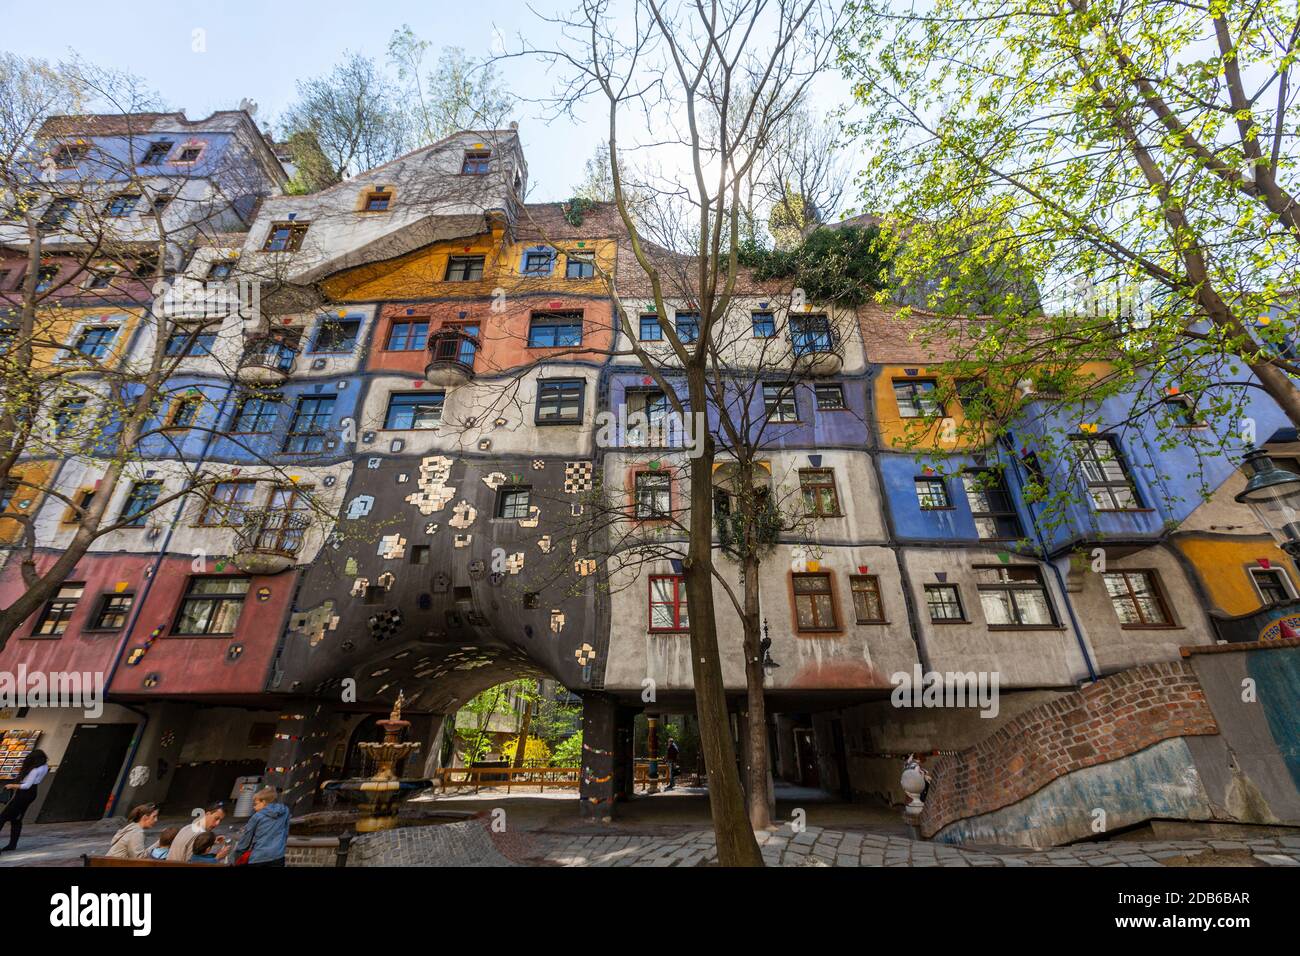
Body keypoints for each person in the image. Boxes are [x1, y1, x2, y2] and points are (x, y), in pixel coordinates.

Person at [0, 749, 49, 853]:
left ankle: (12, 844)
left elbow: (26, 786)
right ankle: (12, 844)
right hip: (32, 793)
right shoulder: (45, 767)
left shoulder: (35, 770)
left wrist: (11, 785)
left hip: (24, 794)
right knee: (16, 819)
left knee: (2, 818)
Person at [232, 787, 289, 867]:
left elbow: (246, 839)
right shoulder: (285, 811)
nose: (253, 807)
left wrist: (238, 855)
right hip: (278, 857)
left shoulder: (257, 816)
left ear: (264, 802)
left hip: (259, 857)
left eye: (255, 804)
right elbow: (285, 832)